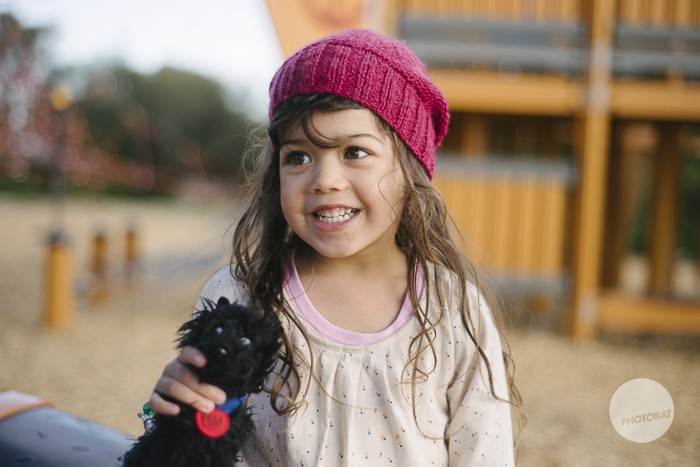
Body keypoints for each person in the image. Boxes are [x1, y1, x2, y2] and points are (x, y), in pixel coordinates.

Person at [148, 29, 522, 465]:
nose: (324, 180)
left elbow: (485, 453)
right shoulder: (239, 295)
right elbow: (193, 445)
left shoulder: (451, 307)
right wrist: (174, 412)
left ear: (410, 168)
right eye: (298, 157)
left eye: (354, 152)